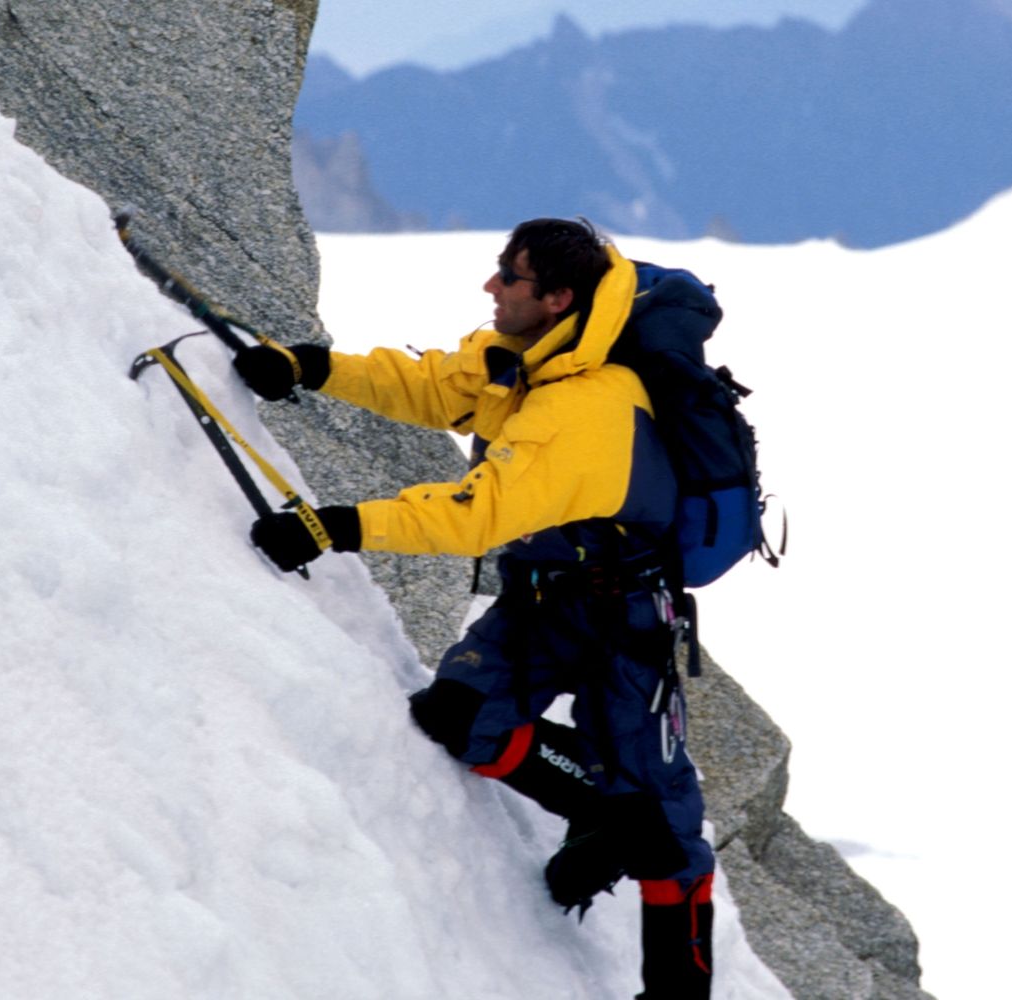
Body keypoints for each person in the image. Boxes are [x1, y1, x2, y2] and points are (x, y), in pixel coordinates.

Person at [235, 218, 717, 1000]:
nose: (491, 287)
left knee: (663, 831)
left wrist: (337, 527)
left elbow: (476, 515)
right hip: (544, 597)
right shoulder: (533, 356)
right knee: (461, 716)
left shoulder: (589, 409)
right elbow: (436, 388)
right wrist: (307, 367)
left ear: (557, 298)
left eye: (510, 277)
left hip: (625, 620)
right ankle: (601, 809)